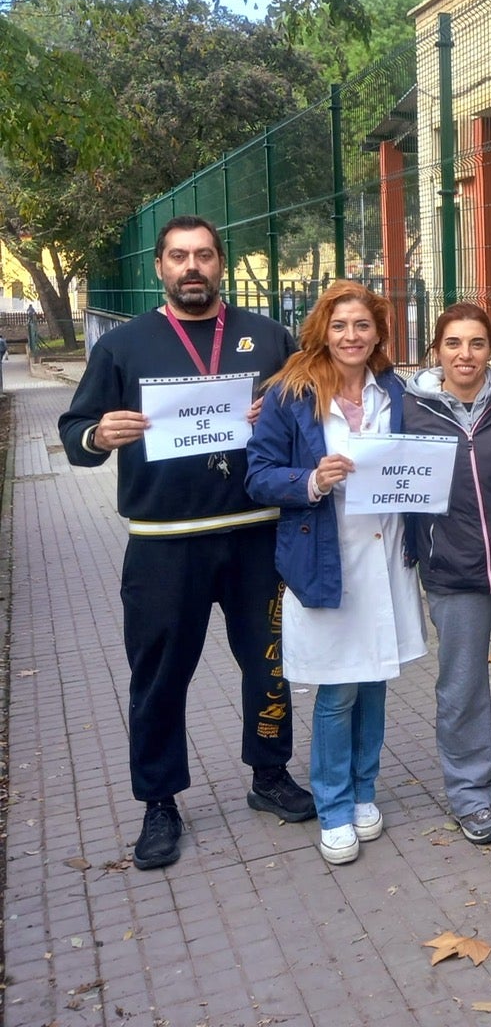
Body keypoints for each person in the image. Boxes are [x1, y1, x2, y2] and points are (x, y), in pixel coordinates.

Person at [57, 215, 315, 872]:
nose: (191, 267)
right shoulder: (124, 346)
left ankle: (269, 773)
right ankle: (159, 801)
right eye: (178, 256)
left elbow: (310, 416)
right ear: (160, 268)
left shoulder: (269, 336)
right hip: (164, 541)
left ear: (221, 262)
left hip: (257, 533)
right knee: (160, 677)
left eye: (203, 255)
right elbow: (75, 431)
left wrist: (280, 416)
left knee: (270, 664)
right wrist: (98, 435)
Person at [245, 281, 427, 866]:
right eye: (340, 325)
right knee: (338, 688)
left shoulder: (392, 390)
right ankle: (334, 805)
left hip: (385, 555)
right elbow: (258, 475)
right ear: (322, 330)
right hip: (325, 558)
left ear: (378, 333)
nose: (351, 336)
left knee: (375, 680)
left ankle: (365, 790)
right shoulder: (290, 393)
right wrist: (312, 479)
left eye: (362, 326)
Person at [403, 302, 491, 848]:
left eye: (477, 343)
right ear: (436, 350)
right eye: (454, 343)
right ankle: (470, 794)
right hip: (451, 570)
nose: (466, 354)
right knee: (462, 686)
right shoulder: (408, 409)